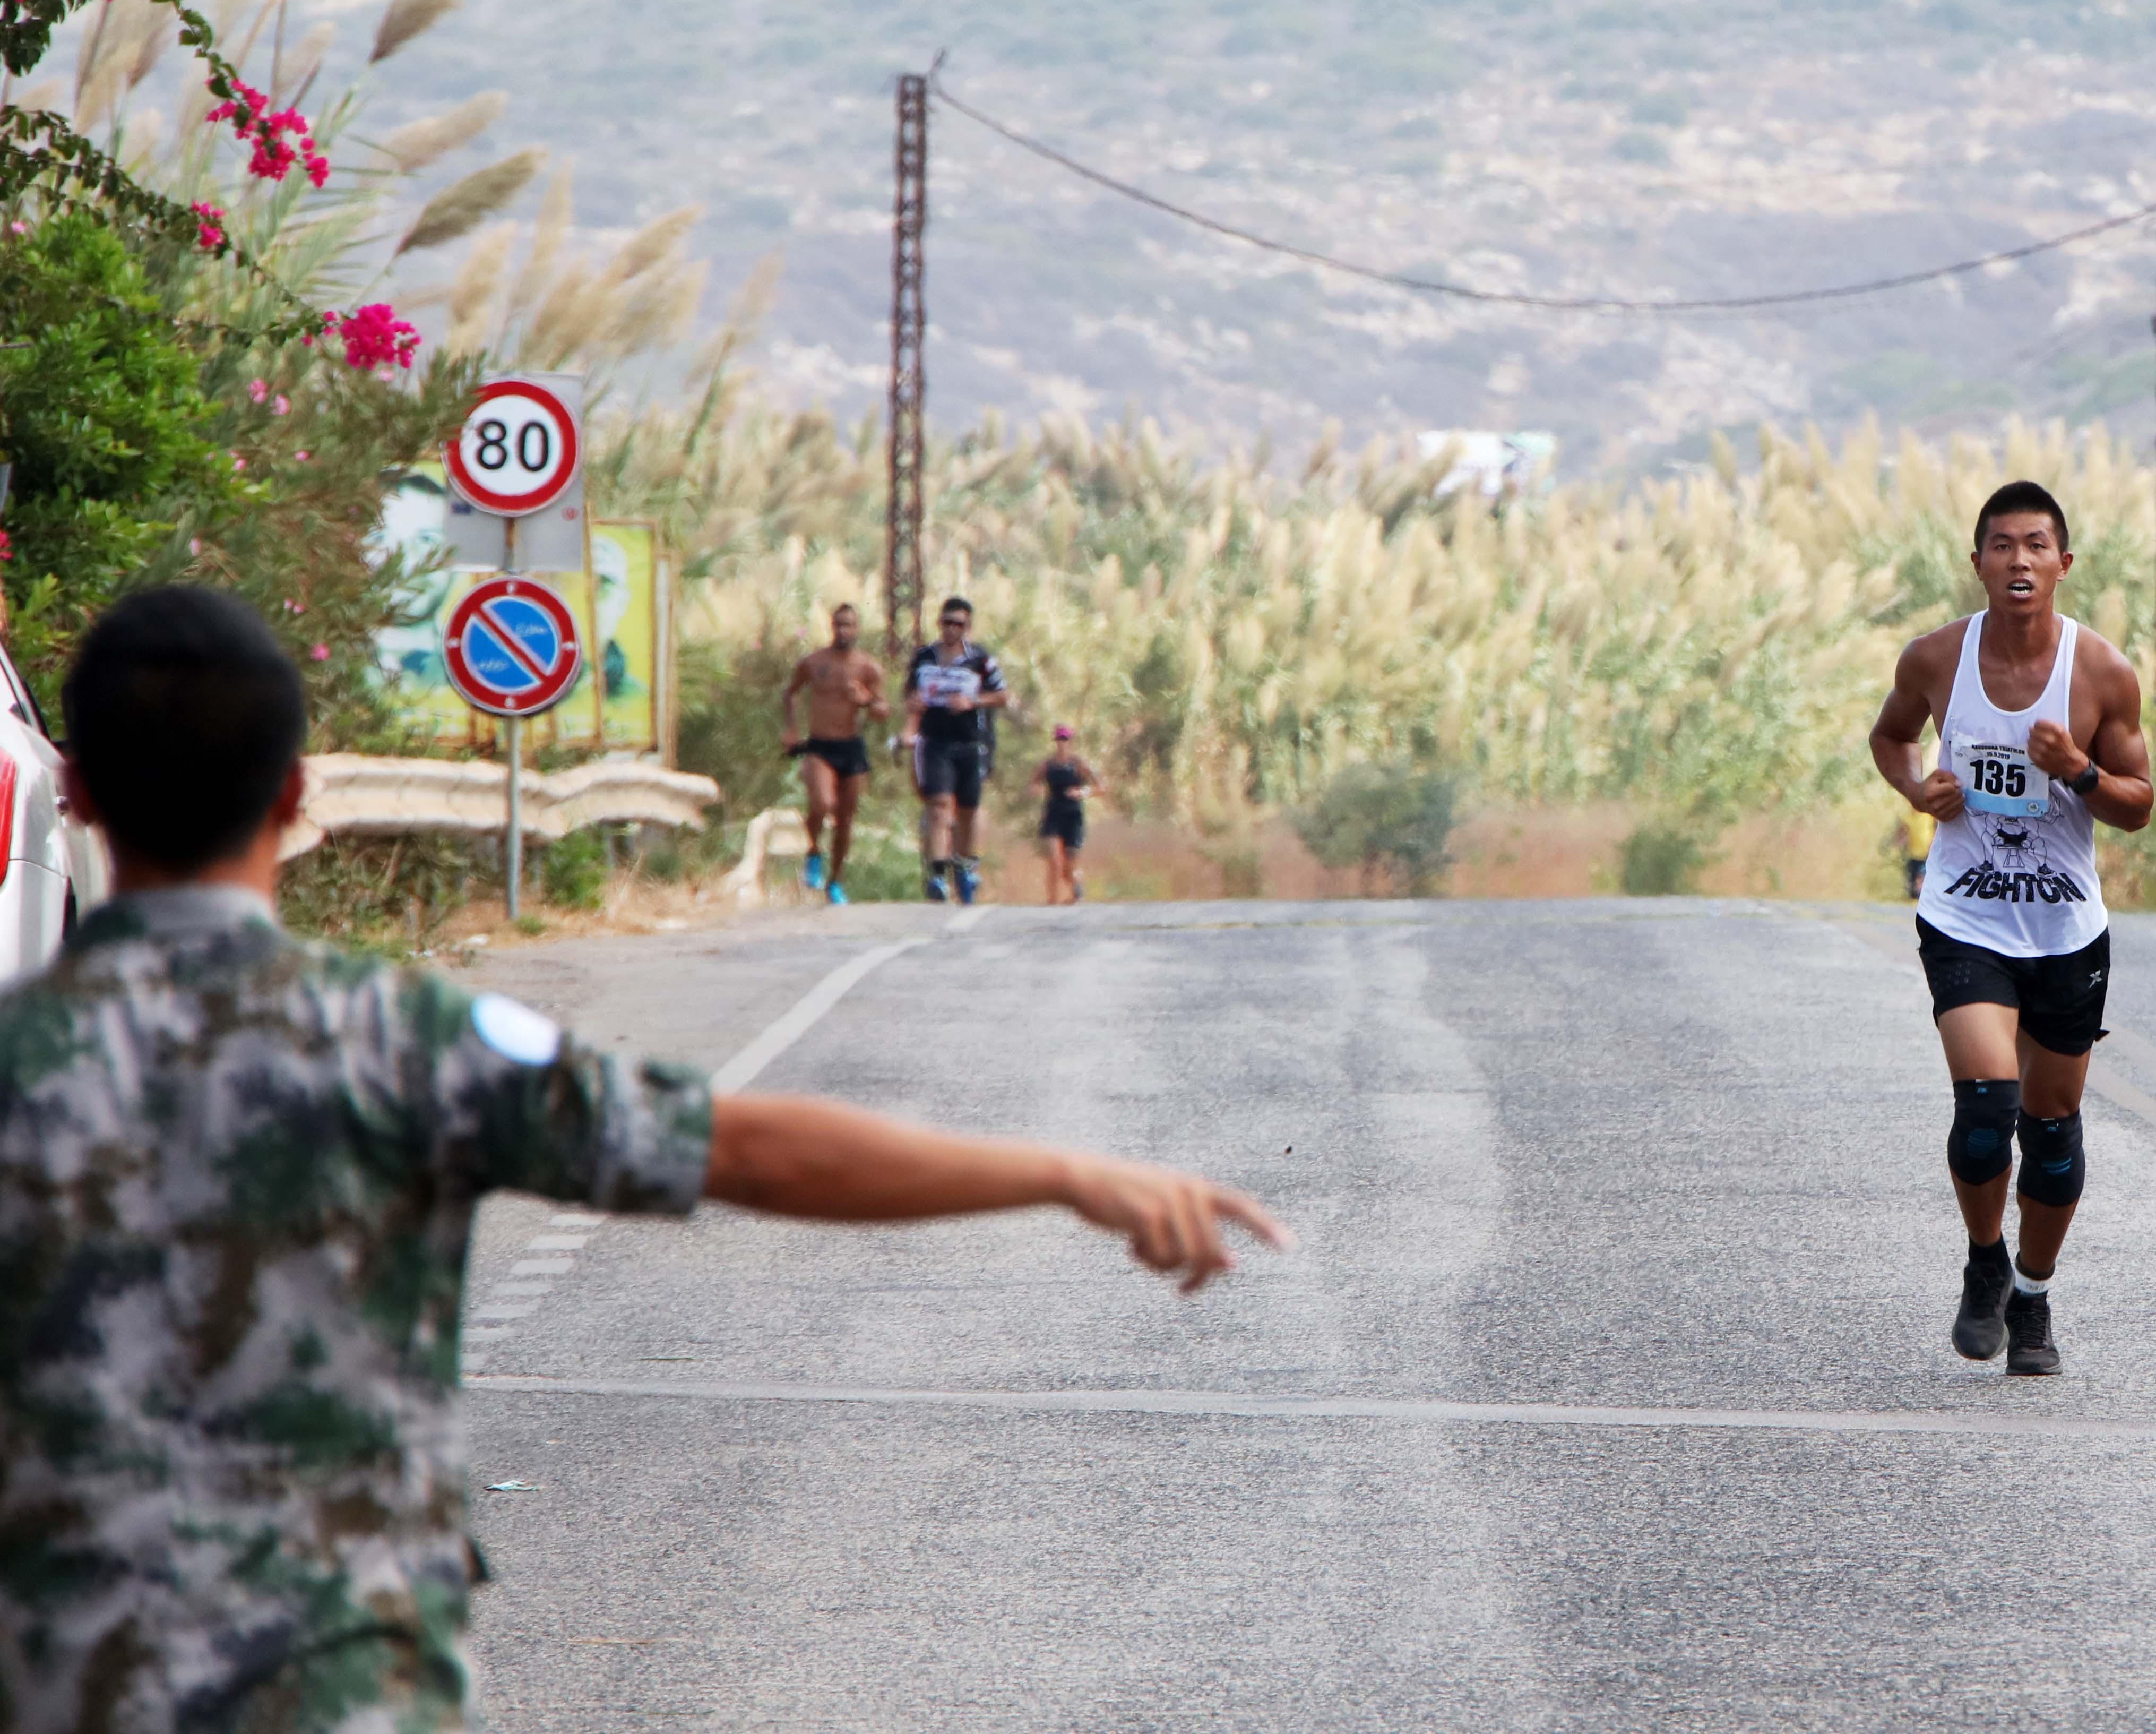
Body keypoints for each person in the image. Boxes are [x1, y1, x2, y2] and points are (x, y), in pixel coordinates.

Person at [0, 587, 1287, 1733]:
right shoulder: (401, 1039)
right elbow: (746, 1148)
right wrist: (1062, 1173)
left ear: (78, 790)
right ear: (294, 793)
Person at [1867, 481, 2154, 1377]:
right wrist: (1918, 789)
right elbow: (1889, 737)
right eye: (2001, 545)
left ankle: (2031, 1292)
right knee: (1987, 1110)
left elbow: (2139, 806)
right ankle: (1984, 1258)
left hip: (2066, 928)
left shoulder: (2101, 672)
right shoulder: (1935, 659)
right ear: (1978, 562)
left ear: (2063, 564)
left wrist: (2076, 773)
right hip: (1965, 913)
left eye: (2036, 545)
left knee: (2052, 1125)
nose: (2018, 560)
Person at [902, 596, 1008, 904]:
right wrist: (912, 707)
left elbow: (1002, 696)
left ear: (968, 627)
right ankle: (937, 873)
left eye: (958, 624)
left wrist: (973, 702)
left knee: (967, 810)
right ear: (940, 623)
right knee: (938, 804)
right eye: (947, 622)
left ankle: (964, 863)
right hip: (934, 741)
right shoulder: (924, 657)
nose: (951, 629)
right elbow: (910, 694)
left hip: (972, 742)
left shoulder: (980, 659)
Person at [780, 603, 887, 905]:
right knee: (822, 803)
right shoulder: (813, 662)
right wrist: (791, 730)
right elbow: (791, 693)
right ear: (831, 626)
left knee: (845, 819)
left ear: (858, 628)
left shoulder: (868, 668)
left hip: (851, 747)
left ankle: (835, 881)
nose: (843, 630)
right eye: (839, 624)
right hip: (820, 745)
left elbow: (883, 710)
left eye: (849, 625)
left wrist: (865, 700)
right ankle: (814, 851)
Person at [1035, 725, 1105, 905]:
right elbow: (1032, 783)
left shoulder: (1079, 764)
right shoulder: (1047, 765)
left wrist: (1084, 792)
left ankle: (1077, 891)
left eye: (1065, 739)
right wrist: (1035, 790)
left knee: (1069, 863)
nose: (1062, 743)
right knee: (1053, 859)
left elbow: (1101, 787)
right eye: (1059, 739)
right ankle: (1052, 899)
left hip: (1073, 815)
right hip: (1053, 813)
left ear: (1071, 742)